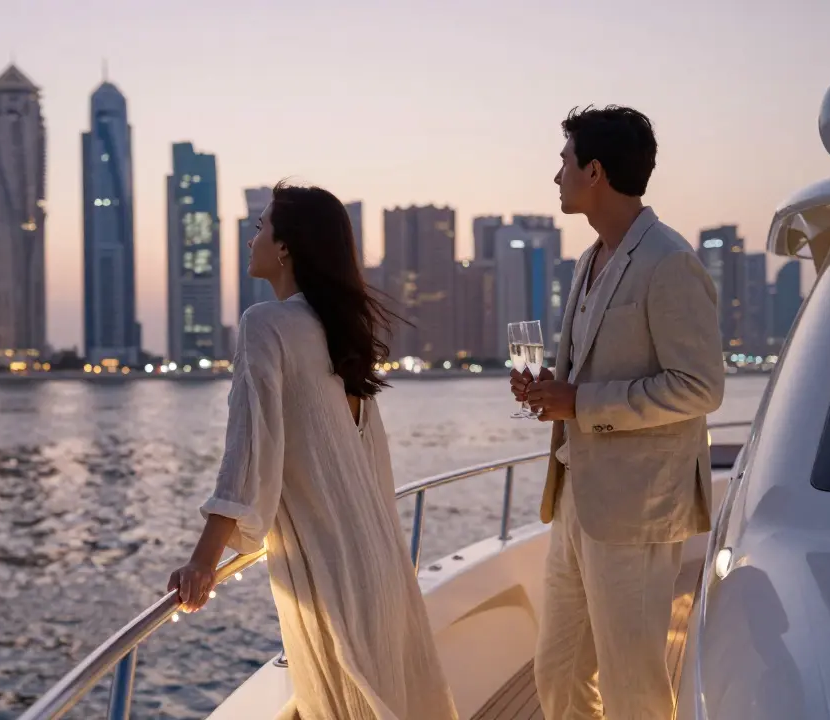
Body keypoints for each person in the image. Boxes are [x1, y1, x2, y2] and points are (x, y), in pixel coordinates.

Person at [168, 182, 458, 720]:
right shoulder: (339, 329)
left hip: (331, 567)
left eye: (260, 227)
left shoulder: (267, 324)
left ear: (285, 247)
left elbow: (248, 448)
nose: (251, 236)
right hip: (380, 561)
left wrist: (202, 562)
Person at [512, 106, 725, 719]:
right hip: (576, 495)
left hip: (636, 509)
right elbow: (589, 374)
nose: (556, 175)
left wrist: (580, 402)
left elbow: (699, 387)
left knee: (635, 689)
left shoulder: (669, 262)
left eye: (564, 162)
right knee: (556, 672)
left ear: (595, 171)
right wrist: (552, 388)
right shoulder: (588, 261)